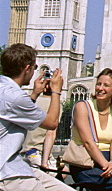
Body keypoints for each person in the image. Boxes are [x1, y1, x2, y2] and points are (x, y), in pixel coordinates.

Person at [0, 43, 69, 191]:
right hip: (7, 171)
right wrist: (56, 91)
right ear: (27, 68)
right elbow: (51, 123)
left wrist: (34, 94)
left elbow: (14, 113)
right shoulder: (15, 96)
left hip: (17, 165)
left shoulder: (6, 90)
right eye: (34, 67)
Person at [67, 70, 112, 190]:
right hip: (85, 163)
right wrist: (109, 167)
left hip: (108, 162)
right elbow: (88, 142)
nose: (100, 88)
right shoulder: (83, 107)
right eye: (98, 84)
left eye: (106, 85)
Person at [21, 72, 60, 174]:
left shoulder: (30, 101)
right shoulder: (55, 106)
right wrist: (44, 163)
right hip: (38, 153)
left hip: (25, 151)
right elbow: (50, 134)